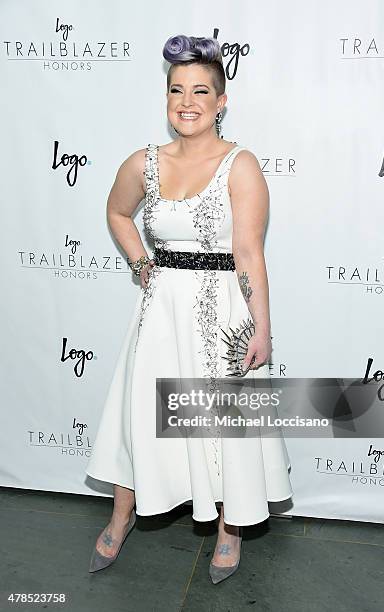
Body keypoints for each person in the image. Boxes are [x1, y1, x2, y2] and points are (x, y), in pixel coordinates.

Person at [85, 34, 293, 584]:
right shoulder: (143, 163)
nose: (187, 101)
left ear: (221, 101)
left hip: (224, 310)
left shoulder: (241, 165)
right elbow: (118, 213)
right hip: (160, 312)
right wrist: (141, 265)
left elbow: (249, 251)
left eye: (201, 91)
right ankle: (122, 514)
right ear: (166, 98)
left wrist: (262, 329)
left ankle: (230, 528)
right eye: (177, 90)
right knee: (141, 415)